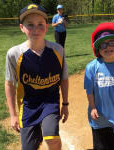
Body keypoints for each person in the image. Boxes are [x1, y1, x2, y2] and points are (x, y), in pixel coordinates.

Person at [5, 3, 69, 150]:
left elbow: (64, 79)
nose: (36, 29)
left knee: (51, 137)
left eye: (40, 24)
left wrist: (65, 104)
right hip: (28, 105)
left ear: (47, 26)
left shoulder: (58, 50)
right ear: (22, 27)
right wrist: (13, 115)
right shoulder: (14, 54)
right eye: (30, 25)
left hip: (50, 101)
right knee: (29, 147)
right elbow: (9, 84)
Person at [84, 22, 114, 150]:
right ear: (98, 49)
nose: (108, 47)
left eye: (111, 43)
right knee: (100, 146)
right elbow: (89, 91)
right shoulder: (92, 67)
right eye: (103, 44)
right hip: (98, 117)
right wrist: (92, 107)